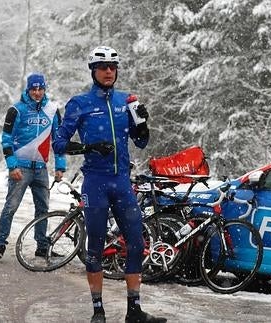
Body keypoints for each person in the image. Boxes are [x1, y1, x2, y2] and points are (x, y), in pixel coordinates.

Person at [53, 46, 166, 323]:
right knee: (95, 247)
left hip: (121, 182)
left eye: (112, 67)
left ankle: (134, 310)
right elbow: (58, 143)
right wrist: (89, 146)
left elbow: (141, 142)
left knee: (137, 245)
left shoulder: (125, 101)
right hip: (96, 182)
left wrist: (143, 125)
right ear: (93, 71)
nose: (108, 71)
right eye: (103, 67)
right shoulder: (80, 103)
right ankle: (98, 311)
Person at [0, 73, 66, 259]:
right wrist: (12, 165)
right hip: (20, 168)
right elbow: (6, 139)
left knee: (43, 209)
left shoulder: (52, 110)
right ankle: (0, 244)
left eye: (41, 89)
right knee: (11, 206)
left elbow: (59, 140)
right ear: (28, 89)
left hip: (41, 168)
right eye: (34, 89)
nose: (37, 92)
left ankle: (42, 247)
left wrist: (60, 166)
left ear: (45, 89)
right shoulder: (16, 110)